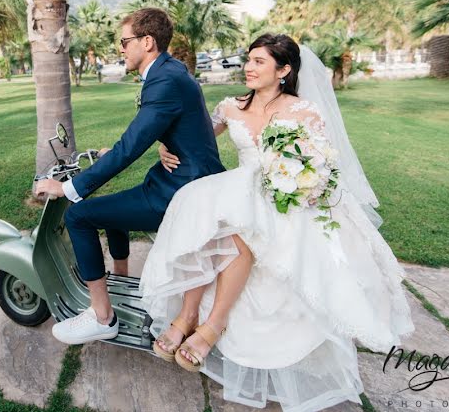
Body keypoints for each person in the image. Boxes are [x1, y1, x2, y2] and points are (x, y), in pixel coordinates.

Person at [140, 34, 413, 412]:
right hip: (240, 185)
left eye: (259, 62)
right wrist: (165, 145)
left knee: (239, 235)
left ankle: (210, 327)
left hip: (285, 198)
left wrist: (303, 185)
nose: (249, 68)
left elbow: (323, 166)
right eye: (248, 60)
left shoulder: (303, 112)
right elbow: (193, 134)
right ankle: (186, 317)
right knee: (201, 210)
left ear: (283, 70)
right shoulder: (230, 107)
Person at [35, 7, 226, 345]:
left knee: (79, 215)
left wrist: (67, 187)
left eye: (124, 42)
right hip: (179, 179)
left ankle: (101, 315)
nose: (120, 49)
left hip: (181, 192)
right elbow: (161, 128)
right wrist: (154, 145)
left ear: (147, 41)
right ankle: (119, 279)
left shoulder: (165, 80)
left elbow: (132, 146)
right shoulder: (169, 70)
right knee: (112, 210)